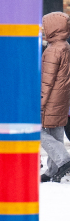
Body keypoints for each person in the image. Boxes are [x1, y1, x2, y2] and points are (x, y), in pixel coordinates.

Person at [39, 12, 70, 183]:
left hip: (51, 98)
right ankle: (53, 170)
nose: (44, 30)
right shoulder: (65, 46)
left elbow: (47, 80)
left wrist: (40, 101)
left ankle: (64, 160)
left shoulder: (53, 50)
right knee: (56, 132)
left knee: (37, 131)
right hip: (62, 97)